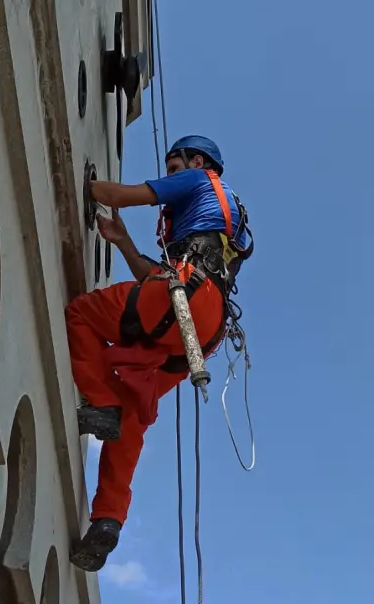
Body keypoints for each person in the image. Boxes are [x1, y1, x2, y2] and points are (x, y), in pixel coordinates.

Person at [66, 135, 253, 572]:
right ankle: (107, 521)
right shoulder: (229, 223)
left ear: (197, 160)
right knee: (132, 415)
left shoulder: (198, 179)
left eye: (175, 166)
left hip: (183, 298)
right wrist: (124, 243)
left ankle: (101, 402)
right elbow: (162, 280)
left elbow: (127, 196)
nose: (172, 174)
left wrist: (88, 186)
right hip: (202, 330)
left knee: (82, 315)